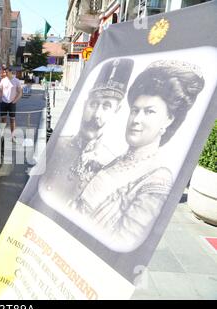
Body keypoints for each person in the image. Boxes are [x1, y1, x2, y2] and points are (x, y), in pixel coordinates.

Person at [71, 60, 205, 252]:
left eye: (149, 112)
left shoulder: (156, 180)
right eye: (135, 110)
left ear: (169, 119)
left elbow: (122, 243)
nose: (137, 119)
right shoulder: (116, 160)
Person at [38, 58, 134, 208]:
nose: (96, 114)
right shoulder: (57, 144)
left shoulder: (111, 164)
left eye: (107, 106)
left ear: (117, 110)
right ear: (85, 104)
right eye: (94, 103)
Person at [0, 66, 22, 142]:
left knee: (12, 120)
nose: (5, 73)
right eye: (5, 72)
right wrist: (0, 99)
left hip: (12, 103)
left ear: (11, 72)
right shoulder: (3, 80)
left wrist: (15, 101)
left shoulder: (16, 81)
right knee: (3, 119)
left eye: (6, 72)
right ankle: (2, 136)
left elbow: (20, 92)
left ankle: (12, 136)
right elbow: (0, 90)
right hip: (3, 102)